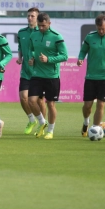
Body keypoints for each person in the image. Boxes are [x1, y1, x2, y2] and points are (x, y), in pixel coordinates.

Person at [28, 12, 68, 140]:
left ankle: (50, 131)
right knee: (31, 101)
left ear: (49, 24)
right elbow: (31, 49)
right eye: (39, 25)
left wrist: (49, 59)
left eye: (43, 26)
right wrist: (31, 57)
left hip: (51, 75)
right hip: (37, 74)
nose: (41, 28)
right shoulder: (33, 35)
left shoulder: (57, 37)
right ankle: (42, 122)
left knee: (50, 104)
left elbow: (64, 56)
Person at [77, 14, 105, 137]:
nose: (101, 31)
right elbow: (83, 51)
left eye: (103, 28)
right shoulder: (90, 37)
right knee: (87, 105)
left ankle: (95, 130)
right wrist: (80, 59)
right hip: (91, 77)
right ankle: (86, 122)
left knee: (101, 104)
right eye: (99, 28)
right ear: (96, 27)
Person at [16, 7, 46, 135]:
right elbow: (20, 46)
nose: (29, 18)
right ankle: (31, 120)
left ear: (37, 17)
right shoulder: (22, 32)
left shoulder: (42, 33)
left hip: (39, 72)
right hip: (26, 71)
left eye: (32, 16)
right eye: (28, 16)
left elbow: (45, 50)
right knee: (23, 98)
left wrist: (35, 58)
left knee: (39, 101)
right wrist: (19, 57)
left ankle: (42, 124)